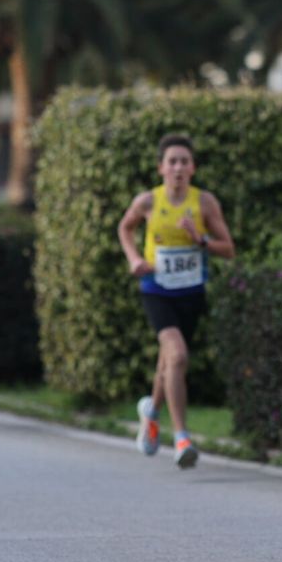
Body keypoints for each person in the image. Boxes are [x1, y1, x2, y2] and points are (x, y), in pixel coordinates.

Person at [116, 133, 235, 469]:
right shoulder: (148, 202)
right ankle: (181, 437)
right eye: (172, 161)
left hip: (190, 291)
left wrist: (201, 240)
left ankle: (151, 412)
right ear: (161, 168)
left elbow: (229, 248)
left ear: (193, 168)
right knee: (178, 354)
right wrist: (133, 258)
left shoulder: (204, 203)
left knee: (170, 361)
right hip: (156, 289)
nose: (179, 167)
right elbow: (124, 228)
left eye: (184, 161)